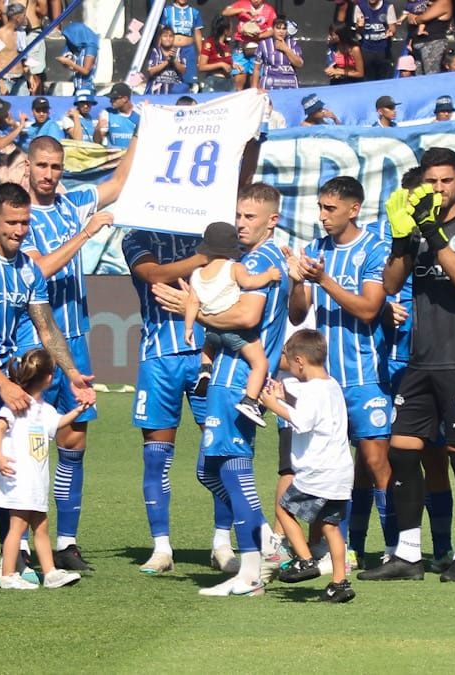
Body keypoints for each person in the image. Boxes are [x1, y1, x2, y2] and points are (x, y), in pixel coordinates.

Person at [0, 182, 95, 589]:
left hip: (7, 379)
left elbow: (46, 328)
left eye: (25, 222)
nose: (20, 230)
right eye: (12, 222)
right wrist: (3, 385)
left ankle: (15, 559)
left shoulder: (28, 269)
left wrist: (73, 373)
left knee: (19, 466)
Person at [358, 146, 455, 583]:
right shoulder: (417, 226)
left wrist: (430, 229)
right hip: (420, 360)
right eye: (431, 182)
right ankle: (409, 554)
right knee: (402, 452)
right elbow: (391, 283)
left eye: (446, 181)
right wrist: (404, 239)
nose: (438, 189)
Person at [153, 183, 291, 598]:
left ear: (272, 220)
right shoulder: (251, 260)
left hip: (238, 378)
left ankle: (254, 566)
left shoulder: (263, 258)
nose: (241, 223)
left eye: (250, 217)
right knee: (210, 470)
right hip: (227, 375)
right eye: (239, 215)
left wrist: (191, 310)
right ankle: (264, 540)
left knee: (232, 468)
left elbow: (247, 316)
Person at [12, 135, 136, 572]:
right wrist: (86, 234)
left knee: (75, 440)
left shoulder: (73, 201)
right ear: (27, 166)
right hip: (36, 342)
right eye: (41, 166)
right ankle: (21, 544)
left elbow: (120, 182)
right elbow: (40, 269)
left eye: (56, 167)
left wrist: (146, 125)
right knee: (26, 442)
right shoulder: (20, 217)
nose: (48, 175)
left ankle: (67, 541)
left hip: (77, 338)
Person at [286, 176, 397, 565]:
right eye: (319, 207)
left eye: (330, 209)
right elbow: (298, 313)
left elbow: (369, 309)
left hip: (366, 377)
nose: (322, 216)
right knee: (334, 468)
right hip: (326, 384)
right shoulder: (315, 249)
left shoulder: (374, 248)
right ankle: (347, 549)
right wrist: (297, 282)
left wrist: (324, 280)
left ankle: (395, 549)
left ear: (354, 209)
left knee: (375, 461)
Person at [120, 216, 212, 575]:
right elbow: (153, 275)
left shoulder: (205, 226)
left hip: (209, 350)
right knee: (156, 458)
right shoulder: (135, 236)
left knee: (222, 450)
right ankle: (161, 548)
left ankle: (222, 544)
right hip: (159, 356)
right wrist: (205, 256)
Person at [261, 330, 357, 603]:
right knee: (329, 526)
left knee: (283, 506)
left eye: (290, 363)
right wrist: (286, 398)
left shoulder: (313, 390)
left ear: (300, 361)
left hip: (318, 470)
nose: (290, 369)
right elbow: (315, 413)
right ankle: (339, 582)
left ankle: (304, 560)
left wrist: (273, 403)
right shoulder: (331, 385)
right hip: (339, 472)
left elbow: (303, 422)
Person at [0, 348, 87, 590]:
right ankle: (7, 573)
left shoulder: (44, 409)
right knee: (18, 526)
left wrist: (78, 411)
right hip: (18, 478)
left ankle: (50, 572)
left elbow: (55, 424)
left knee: (41, 525)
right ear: (48, 378)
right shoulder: (17, 404)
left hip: (36, 479)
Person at [185, 221, 282, 426]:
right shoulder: (235, 267)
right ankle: (250, 400)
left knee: (209, 344)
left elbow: (192, 302)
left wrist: (188, 328)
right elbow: (249, 283)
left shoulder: (196, 274)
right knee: (260, 363)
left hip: (211, 331)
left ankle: (205, 368)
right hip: (234, 332)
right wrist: (269, 275)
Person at [162, 0, 204, 88]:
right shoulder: (166, 11)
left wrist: (201, 54)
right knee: (168, 79)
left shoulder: (194, 12)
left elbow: (198, 34)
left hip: (189, 50)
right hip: (172, 49)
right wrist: (161, 51)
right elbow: (161, 33)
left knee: (189, 81)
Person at [404, 0, 452, 74]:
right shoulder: (427, 3)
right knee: (419, 77)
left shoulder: (444, 2)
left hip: (433, 44)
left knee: (431, 75)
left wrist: (414, 17)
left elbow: (423, 18)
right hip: (417, 45)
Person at [255, 16, 303, 90]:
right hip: (269, 85)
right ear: (273, 29)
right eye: (278, 28)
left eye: (284, 29)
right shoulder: (264, 44)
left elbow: (299, 64)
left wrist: (286, 49)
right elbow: (257, 69)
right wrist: (254, 89)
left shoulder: (292, 44)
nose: (281, 31)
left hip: (290, 85)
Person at [354, 0, 398, 80]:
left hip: (383, 50)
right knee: (368, 79)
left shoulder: (388, 6)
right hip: (366, 49)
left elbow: (393, 27)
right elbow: (357, 29)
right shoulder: (360, 6)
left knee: (384, 78)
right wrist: (359, 26)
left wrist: (390, 31)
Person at [0, 4, 28, 95]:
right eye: (24, 16)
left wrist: (30, 77)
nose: (25, 18)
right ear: (18, 18)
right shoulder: (0, 35)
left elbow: (23, 58)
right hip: (6, 80)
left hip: (21, 80)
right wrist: (1, 84)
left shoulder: (21, 33)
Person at [57, 21, 99, 92]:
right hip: (77, 87)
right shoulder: (78, 48)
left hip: (86, 88)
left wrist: (70, 63)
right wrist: (67, 63)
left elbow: (86, 71)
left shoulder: (91, 48)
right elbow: (76, 67)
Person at [96, 83, 139, 150]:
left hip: (134, 157)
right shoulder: (107, 113)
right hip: (114, 157)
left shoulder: (140, 113)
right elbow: (97, 141)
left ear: (125, 98)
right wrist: (98, 129)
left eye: (114, 98)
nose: (111, 101)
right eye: (111, 98)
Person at [146, 26, 188, 95]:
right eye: (165, 36)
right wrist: (167, 61)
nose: (168, 39)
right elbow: (151, 71)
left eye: (170, 36)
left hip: (174, 91)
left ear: (173, 38)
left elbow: (183, 71)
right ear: (160, 38)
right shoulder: (155, 51)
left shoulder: (179, 51)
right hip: (156, 91)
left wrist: (174, 60)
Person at [199, 17, 235, 92]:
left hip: (228, 81)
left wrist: (234, 66)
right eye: (231, 28)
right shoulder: (209, 43)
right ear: (225, 31)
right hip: (214, 82)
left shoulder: (226, 45)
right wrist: (221, 64)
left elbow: (227, 64)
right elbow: (202, 67)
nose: (232, 31)